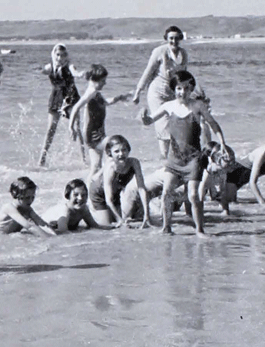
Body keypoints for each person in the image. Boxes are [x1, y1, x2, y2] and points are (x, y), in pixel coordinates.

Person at [141, 70, 228, 237]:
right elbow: (149, 121)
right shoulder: (168, 106)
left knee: (193, 195)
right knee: (166, 193)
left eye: (187, 88)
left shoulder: (198, 106)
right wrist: (143, 116)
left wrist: (222, 143)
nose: (183, 92)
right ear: (174, 89)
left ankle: (199, 230)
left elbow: (213, 124)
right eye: (179, 88)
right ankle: (166, 227)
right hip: (174, 159)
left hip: (193, 159)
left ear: (192, 89)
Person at [132, 26, 192, 158]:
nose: (174, 41)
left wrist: (191, 93)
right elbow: (148, 72)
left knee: (177, 124)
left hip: (174, 93)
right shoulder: (159, 51)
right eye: (171, 38)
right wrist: (138, 92)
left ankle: (174, 157)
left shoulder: (183, 53)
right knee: (162, 124)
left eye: (176, 38)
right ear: (166, 39)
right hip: (157, 93)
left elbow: (185, 76)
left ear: (180, 38)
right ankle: (164, 157)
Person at [68, 64, 131, 180]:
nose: (105, 83)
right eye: (102, 81)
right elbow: (76, 107)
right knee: (114, 145)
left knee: (96, 167)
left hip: (96, 133)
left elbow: (106, 102)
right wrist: (71, 127)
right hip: (94, 135)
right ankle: (113, 179)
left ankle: (89, 186)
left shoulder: (95, 92)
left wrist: (120, 97)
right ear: (94, 80)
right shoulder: (91, 92)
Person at [38, 43, 85, 166]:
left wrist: (79, 74)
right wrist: (40, 70)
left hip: (71, 97)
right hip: (56, 97)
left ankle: (83, 159)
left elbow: (74, 72)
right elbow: (44, 70)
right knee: (50, 129)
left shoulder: (69, 65)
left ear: (66, 56)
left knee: (77, 128)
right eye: (58, 55)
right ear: (54, 54)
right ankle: (42, 159)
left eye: (63, 55)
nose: (60, 58)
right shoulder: (51, 66)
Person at [87, 135, 148, 227]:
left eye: (124, 150)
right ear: (110, 153)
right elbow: (108, 200)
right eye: (116, 151)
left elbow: (141, 189)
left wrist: (147, 215)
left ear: (128, 150)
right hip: (99, 193)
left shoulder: (134, 163)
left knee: (124, 222)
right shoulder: (110, 168)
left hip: (115, 193)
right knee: (108, 225)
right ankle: (92, 209)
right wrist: (120, 220)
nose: (121, 154)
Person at [42, 178, 110, 233]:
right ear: (68, 195)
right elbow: (62, 233)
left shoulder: (83, 209)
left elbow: (94, 226)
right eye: (76, 195)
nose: (80, 198)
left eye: (83, 195)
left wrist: (113, 229)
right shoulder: (65, 210)